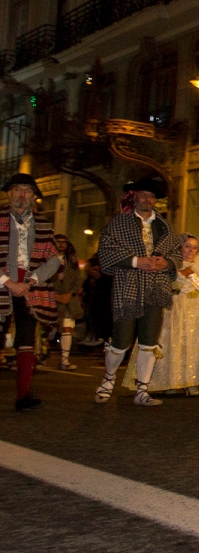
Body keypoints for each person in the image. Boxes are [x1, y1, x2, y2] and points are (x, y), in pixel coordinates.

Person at [95, 176, 182, 407]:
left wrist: (167, 264)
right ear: (134, 198)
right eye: (143, 195)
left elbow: (176, 253)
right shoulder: (119, 223)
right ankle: (108, 379)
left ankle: (142, 390)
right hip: (128, 287)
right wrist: (136, 261)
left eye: (152, 196)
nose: (148, 199)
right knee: (121, 341)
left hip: (157, 287)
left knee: (149, 342)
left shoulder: (164, 226)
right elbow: (106, 251)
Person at [121, 234, 199, 396]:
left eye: (195, 247)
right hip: (175, 308)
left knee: (195, 347)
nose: (191, 250)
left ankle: (192, 382)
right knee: (173, 345)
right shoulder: (170, 264)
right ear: (180, 247)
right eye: (187, 246)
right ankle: (171, 381)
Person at [0, 174, 62, 411]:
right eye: (17, 190)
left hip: (29, 289)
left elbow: (54, 259)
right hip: (1, 285)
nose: (22, 195)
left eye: (27, 191)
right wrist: (7, 281)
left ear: (34, 197)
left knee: (26, 340)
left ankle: (23, 395)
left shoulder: (44, 224)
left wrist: (33, 279)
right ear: (9, 193)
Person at [51, 235, 84, 371]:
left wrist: (69, 294)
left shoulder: (71, 262)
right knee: (48, 329)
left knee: (67, 329)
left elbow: (78, 280)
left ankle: (64, 360)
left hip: (68, 300)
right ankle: (39, 356)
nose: (61, 245)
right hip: (50, 299)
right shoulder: (46, 260)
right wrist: (54, 295)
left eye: (64, 242)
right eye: (58, 242)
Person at [80, 257, 112, 347]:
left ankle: (102, 337)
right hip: (94, 302)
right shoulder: (90, 280)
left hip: (104, 302)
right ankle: (94, 336)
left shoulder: (106, 278)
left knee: (102, 319)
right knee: (92, 319)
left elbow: (106, 286)